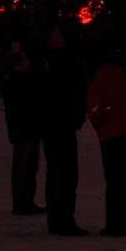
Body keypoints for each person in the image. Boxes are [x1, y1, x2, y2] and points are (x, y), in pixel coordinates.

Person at [39, 26, 90, 236]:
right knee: (64, 173)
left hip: (58, 122)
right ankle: (62, 218)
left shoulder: (56, 61)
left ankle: (59, 218)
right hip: (59, 122)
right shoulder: (62, 61)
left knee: (60, 173)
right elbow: (76, 89)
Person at [87, 58, 126, 236]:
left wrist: (102, 126)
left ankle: (114, 224)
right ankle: (125, 223)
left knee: (114, 182)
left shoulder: (97, 85)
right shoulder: (125, 83)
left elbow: (95, 112)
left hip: (111, 137)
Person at [2, 45, 42, 215]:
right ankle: (21, 202)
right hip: (24, 128)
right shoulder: (16, 81)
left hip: (26, 128)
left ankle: (26, 201)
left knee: (29, 167)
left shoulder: (15, 80)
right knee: (23, 167)